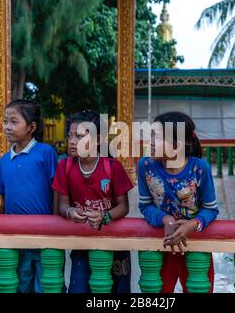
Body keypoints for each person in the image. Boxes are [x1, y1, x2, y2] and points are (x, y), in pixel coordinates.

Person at [52, 110, 133, 293]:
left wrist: (104, 216)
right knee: (79, 288)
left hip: (115, 241)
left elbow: (124, 206)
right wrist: (70, 212)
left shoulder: (112, 167)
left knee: (117, 290)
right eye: (70, 135)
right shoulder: (64, 166)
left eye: (79, 136)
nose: (72, 141)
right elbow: (61, 204)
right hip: (82, 241)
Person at [138, 111, 218, 293]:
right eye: (150, 136)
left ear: (176, 145)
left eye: (155, 137)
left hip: (196, 245)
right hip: (161, 243)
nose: (149, 142)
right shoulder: (145, 166)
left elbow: (211, 209)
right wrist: (165, 219)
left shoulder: (200, 168)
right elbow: (145, 205)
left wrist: (193, 224)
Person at [0, 99, 58, 293]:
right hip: (16, 237)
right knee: (20, 283)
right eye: (5, 122)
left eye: (13, 122)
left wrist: (55, 226)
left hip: (46, 235)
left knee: (46, 285)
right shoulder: (4, 161)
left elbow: (56, 191)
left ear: (31, 127)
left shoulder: (46, 153)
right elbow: (3, 201)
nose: (7, 127)